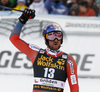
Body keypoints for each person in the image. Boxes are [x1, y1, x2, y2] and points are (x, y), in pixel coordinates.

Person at [9, 8, 79, 92]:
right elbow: (14, 39)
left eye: (58, 36)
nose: (56, 39)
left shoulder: (69, 60)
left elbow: (74, 88)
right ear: (46, 39)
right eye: (52, 36)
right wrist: (23, 19)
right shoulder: (36, 53)